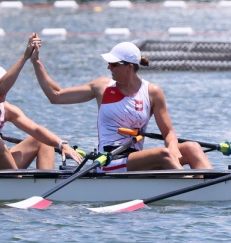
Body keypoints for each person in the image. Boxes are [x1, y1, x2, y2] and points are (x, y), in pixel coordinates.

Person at [31, 40, 212, 172]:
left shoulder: (152, 92)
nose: (109, 67)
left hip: (135, 158)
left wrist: (173, 146)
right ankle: (191, 188)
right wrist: (36, 62)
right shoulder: (102, 87)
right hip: (109, 161)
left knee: (192, 147)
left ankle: (214, 187)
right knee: (163, 155)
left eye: (114, 64)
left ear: (130, 66)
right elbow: (56, 96)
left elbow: (169, 133)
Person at [0, 33, 81, 172]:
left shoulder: (7, 110)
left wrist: (62, 144)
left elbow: (35, 129)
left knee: (42, 139)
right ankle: (18, 183)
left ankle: (45, 186)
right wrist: (25, 57)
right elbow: (0, 89)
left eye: (1, 84)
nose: (3, 90)